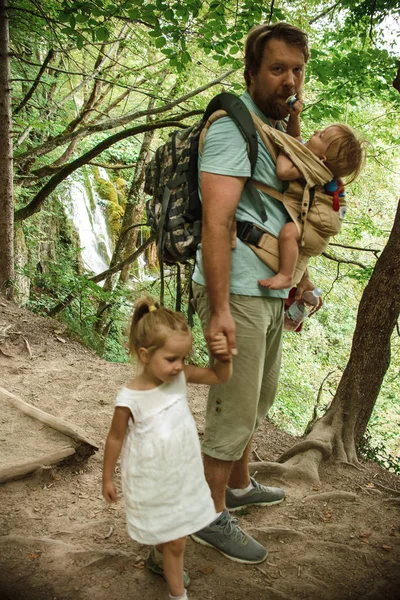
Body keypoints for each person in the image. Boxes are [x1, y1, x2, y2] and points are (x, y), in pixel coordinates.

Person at [191, 22, 317, 563]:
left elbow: (275, 203)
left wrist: (292, 119)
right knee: (232, 411)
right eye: (277, 69)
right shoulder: (230, 127)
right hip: (236, 294)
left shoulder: (271, 128)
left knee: (256, 401)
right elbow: (216, 224)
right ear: (251, 72)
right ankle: (203, 514)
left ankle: (238, 488)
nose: (289, 80)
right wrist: (218, 309)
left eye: (296, 70)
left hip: (263, 292)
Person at [102, 297, 232, 600]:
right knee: (177, 543)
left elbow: (219, 376)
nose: (179, 366)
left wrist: (224, 357)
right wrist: (108, 477)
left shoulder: (180, 377)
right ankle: (178, 595)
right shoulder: (129, 399)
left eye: (183, 359)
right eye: (172, 359)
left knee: (172, 536)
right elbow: (115, 438)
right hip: (150, 478)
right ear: (146, 355)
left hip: (181, 472)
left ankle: (161, 555)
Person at [259, 98, 365, 289]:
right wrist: (294, 117)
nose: (315, 132)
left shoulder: (314, 170)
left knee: (288, 232)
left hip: (315, 233)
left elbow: (283, 172)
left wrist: (286, 147)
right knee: (289, 231)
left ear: (322, 159)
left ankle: (285, 275)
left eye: (321, 136)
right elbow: (296, 135)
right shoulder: (312, 156)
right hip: (310, 222)